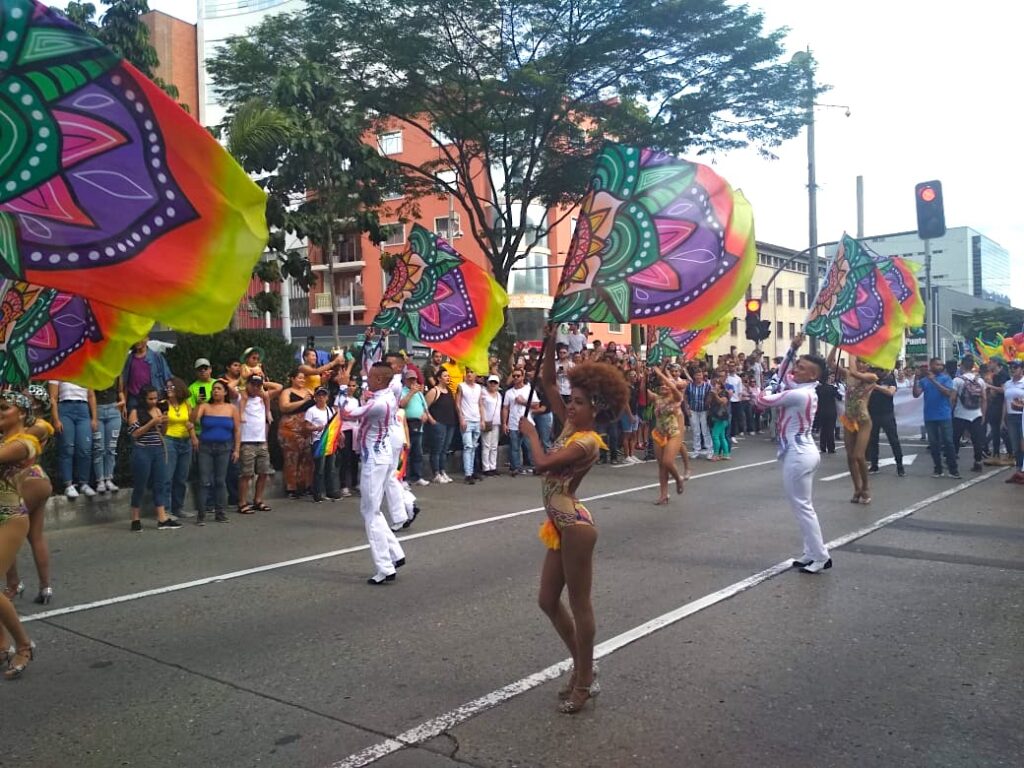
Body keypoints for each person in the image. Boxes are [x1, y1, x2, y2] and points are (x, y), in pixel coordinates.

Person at [519, 328, 629, 714]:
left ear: (594, 409)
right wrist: (547, 341)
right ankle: (584, 666)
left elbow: (544, 463)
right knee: (547, 600)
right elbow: (549, 381)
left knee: (580, 603)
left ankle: (584, 680)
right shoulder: (570, 426)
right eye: (572, 400)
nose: (570, 406)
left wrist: (530, 434)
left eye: (578, 402)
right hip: (558, 524)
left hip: (575, 527)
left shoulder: (586, 440)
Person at [755, 334, 831, 574]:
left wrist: (768, 385)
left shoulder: (801, 394)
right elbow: (783, 375)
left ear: (813, 375)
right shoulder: (805, 388)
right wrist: (792, 350)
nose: (795, 370)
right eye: (797, 365)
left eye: (802, 368)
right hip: (801, 450)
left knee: (802, 507)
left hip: (799, 454)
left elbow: (761, 401)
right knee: (804, 505)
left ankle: (820, 556)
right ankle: (811, 552)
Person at [340, 363, 406, 585]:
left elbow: (345, 413)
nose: (365, 377)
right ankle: (395, 553)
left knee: (370, 512)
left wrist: (341, 388)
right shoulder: (389, 394)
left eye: (370, 376)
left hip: (374, 460)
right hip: (384, 453)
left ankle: (385, 567)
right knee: (373, 509)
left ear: (379, 379)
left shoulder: (378, 404)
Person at [0, 392, 48, 679]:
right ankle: (2, 645)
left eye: (5, 408)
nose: (0, 412)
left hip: (10, 518)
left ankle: (24, 644)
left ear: (22, 414)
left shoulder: (24, 443)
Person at [3, 387, 55, 606]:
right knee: (35, 536)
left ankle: (13, 583)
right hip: (36, 479)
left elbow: (21, 441)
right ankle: (45, 587)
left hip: (27, 480)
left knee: (6, 528)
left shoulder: (40, 427)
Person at [126, 386, 181, 531]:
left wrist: (165, 421)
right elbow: (134, 433)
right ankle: (135, 518)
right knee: (140, 484)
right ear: (143, 399)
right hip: (142, 449)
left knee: (160, 483)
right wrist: (151, 422)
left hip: (158, 449)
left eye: (155, 398)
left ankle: (162, 517)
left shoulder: (157, 410)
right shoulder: (136, 412)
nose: (153, 401)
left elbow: (162, 432)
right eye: (150, 398)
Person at [192, 380, 239, 524]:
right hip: (206, 446)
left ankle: (220, 512)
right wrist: (198, 404)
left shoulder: (231, 408)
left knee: (220, 480)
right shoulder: (205, 406)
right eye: (213, 389)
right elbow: (192, 421)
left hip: (224, 447)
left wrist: (237, 449)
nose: (215, 391)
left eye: (218, 389)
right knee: (205, 480)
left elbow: (237, 430)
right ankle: (201, 514)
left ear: (225, 392)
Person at [838, 356, 878, 504]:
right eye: (859, 361)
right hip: (849, 419)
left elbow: (855, 373)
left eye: (864, 361)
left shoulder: (871, 376)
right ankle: (857, 488)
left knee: (859, 455)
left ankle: (866, 487)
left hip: (863, 420)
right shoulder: (849, 374)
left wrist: (851, 351)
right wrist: (837, 346)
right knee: (850, 456)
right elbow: (830, 364)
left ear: (868, 365)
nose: (861, 364)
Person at [48, 380, 97, 498]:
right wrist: (56, 419)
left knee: (85, 449)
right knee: (67, 448)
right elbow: (53, 398)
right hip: (65, 409)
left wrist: (94, 418)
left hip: (83, 410)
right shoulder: (58, 371)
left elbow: (91, 396)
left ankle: (84, 483)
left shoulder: (85, 371)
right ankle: (68, 484)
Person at [913, 357, 960, 479]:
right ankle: (937, 468)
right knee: (934, 444)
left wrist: (934, 381)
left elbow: (947, 393)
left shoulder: (946, 378)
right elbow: (916, 394)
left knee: (948, 442)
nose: (940, 366)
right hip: (929, 416)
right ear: (931, 365)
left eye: (941, 365)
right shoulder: (924, 380)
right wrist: (915, 379)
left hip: (944, 415)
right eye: (937, 364)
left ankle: (953, 469)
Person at [237, 375, 274, 514]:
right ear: (247, 384)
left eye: (259, 385)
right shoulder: (242, 398)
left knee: (264, 472)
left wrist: (264, 389)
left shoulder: (263, 398)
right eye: (253, 385)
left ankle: (258, 500)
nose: (256, 388)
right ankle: (242, 502)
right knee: (246, 474)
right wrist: (243, 377)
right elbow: (230, 387)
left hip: (261, 440)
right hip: (247, 441)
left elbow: (279, 387)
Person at [161, 377, 197, 519]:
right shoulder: (163, 404)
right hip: (169, 440)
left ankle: (178, 508)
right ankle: (166, 510)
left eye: (172, 387)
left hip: (185, 441)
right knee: (168, 477)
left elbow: (190, 423)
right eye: (167, 387)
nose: (168, 389)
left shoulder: (186, 404)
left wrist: (193, 437)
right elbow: (162, 429)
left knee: (181, 477)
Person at [648, 366, 685, 504]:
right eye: (661, 385)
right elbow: (642, 391)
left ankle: (678, 479)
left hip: (673, 433)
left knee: (667, 462)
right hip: (659, 434)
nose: (663, 386)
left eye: (666, 385)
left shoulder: (676, 398)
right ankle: (663, 495)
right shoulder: (656, 398)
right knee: (661, 466)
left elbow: (675, 389)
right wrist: (644, 374)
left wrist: (661, 375)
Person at [278, 370, 315, 499]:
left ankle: (305, 486)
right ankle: (291, 488)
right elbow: (284, 407)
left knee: (307, 458)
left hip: (306, 428)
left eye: (303, 378)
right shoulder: (287, 392)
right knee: (291, 458)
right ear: (292, 379)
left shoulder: (310, 392)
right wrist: (303, 402)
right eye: (299, 378)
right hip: (290, 428)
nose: (302, 380)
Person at [120, 336, 173, 415]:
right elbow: (125, 384)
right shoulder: (128, 359)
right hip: (134, 400)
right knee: (134, 426)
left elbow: (168, 378)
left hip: (153, 400)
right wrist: (124, 404)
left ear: (147, 339)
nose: (138, 341)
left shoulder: (156, 357)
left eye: (141, 338)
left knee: (154, 425)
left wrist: (171, 398)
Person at [952, 355, 987, 473]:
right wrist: (983, 414)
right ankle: (978, 463)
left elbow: (953, 399)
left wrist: (951, 411)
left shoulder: (957, 380)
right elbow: (984, 399)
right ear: (973, 366)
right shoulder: (980, 381)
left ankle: (953, 462)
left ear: (962, 365)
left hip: (960, 414)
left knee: (955, 438)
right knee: (977, 440)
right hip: (976, 414)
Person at [867, 368, 905, 477]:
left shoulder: (889, 379)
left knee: (894, 440)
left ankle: (900, 465)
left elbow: (890, 392)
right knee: (873, 441)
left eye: (879, 371)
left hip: (887, 414)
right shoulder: (870, 380)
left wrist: (876, 386)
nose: (877, 373)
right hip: (873, 414)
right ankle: (874, 465)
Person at [304, 387, 336, 503]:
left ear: (327, 397)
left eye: (324, 395)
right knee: (319, 468)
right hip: (318, 441)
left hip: (329, 441)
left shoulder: (330, 410)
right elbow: (306, 426)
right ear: (315, 397)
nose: (321, 397)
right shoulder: (311, 411)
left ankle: (330, 491)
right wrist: (316, 428)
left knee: (330, 467)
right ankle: (317, 493)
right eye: (319, 395)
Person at [502, 369, 536, 475]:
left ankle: (532, 465)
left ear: (522, 377)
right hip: (513, 422)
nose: (516, 378)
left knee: (529, 445)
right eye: (514, 376)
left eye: (518, 376)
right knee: (514, 446)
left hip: (527, 422)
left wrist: (523, 402)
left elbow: (536, 405)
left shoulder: (529, 390)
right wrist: (504, 423)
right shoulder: (509, 392)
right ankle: (515, 467)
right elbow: (505, 408)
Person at [400, 370, 431, 486]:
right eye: (410, 379)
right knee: (405, 452)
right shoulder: (403, 391)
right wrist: (411, 393)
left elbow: (425, 406)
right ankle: (403, 477)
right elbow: (402, 404)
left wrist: (425, 414)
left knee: (417, 452)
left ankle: (417, 476)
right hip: (407, 424)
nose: (413, 381)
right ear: (405, 380)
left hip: (419, 425)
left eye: (414, 379)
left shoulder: (419, 393)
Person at [426, 369, 457, 483]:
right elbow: (425, 406)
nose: (447, 378)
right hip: (439, 423)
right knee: (437, 449)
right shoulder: (434, 391)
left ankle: (442, 470)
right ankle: (436, 473)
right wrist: (431, 420)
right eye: (445, 376)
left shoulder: (449, 390)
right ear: (439, 378)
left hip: (450, 423)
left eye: (448, 376)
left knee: (445, 449)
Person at [91, 383, 122, 493]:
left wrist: (123, 401)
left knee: (111, 448)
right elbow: (90, 393)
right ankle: (100, 480)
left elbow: (121, 391)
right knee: (99, 448)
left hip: (114, 409)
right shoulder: (94, 370)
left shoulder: (116, 371)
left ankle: (109, 478)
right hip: (97, 410)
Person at [456, 367, 484, 484]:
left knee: (474, 446)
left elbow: (480, 404)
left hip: (476, 419)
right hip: (467, 419)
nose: (469, 374)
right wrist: (461, 418)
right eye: (467, 372)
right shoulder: (461, 386)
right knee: (468, 446)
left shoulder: (478, 387)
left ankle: (471, 471)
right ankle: (468, 474)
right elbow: (457, 403)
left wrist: (482, 419)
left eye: (472, 372)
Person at [1003, 360, 1024, 483]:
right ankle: (1018, 471)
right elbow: (1005, 402)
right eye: (1010, 367)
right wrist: (1003, 418)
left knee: (1023, 445)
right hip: (1011, 417)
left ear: (1022, 369)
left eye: (1015, 367)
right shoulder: (1007, 384)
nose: (1012, 369)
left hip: (1022, 416)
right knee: (1015, 446)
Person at [686, 370, 712, 460]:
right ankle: (696, 450)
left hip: (704, 410)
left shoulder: (707, 385)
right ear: (694, 376)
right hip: (693, 410)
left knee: (705, 431)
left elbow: (710, 397)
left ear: (702, 376)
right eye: (696, 375)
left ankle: (709, 450)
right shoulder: (690, 386)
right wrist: (687, 408)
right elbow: (685, 397)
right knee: (696, 431)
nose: (698, 377)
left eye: (700, 375)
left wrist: (709, 408)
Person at [481, 374, 503, 476]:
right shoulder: (483, 393)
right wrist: (482, 419)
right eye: (491, 382)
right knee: (486, 445)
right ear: (487, 383)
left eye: (495, 383)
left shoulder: (499, 395)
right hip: (487, 421)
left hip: (496, 422)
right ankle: (486, 468)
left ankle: (493, 466)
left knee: (494, 446)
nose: (493, 384)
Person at [815, 371, 841, 455]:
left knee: (823, 430)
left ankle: (823, 447)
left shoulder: (818, 389)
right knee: (830, 430)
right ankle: (831, 448)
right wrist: (835, 388)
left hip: (821, 411)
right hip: (831, 411)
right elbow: (839, 397)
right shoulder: (832, 388)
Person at [707, 375, 732, 461]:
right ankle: (726, 454)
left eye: (716, 384)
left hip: (722, 417)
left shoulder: (724, 392)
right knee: (721, 436)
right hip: (714, 416)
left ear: (720, 385)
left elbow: (723, 401)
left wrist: (716, 395)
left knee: (715, 435)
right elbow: (708, 402)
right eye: (713, 384)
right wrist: (711, 394)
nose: (715, 385)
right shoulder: (712, 392)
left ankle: (716, 454)